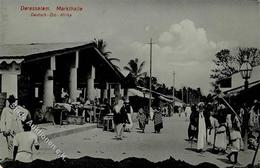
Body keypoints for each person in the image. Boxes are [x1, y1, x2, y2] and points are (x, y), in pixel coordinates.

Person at [0, 95, 30, 159]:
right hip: (9, 130)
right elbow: (2, 120)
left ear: (14, 101)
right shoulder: (5, 109)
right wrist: (3, 130)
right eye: (10, 101)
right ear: (9, 102)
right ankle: (11, 159)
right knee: (10, 144)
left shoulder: (19, 108)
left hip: (18, 129)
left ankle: (17, 158)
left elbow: (26, 112)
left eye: (13, 101)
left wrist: (22, 118)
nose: (12, 103)